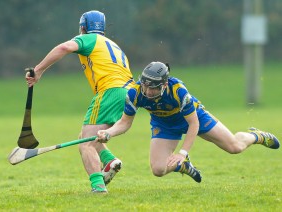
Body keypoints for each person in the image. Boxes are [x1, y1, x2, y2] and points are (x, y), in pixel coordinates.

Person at [96, 61, 280, 183]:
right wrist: (109, 133)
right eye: (145, 86)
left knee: (235, 147)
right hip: (164, 124)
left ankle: (257, 136)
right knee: (158, 170)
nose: (149, 92)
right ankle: (183, 166)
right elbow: (124, 122)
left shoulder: (179, 91)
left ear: (164, 84)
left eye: (154, 88)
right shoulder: (134, 94)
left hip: (194, 118)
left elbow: (193, 124)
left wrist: (183, 152)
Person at [26, 10, 134, 193]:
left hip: (110, 92)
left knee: (85, 143)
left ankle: (98, 187)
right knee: (87, 135)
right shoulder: (112, 44)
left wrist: (38, 70)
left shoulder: (89, 38)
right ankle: (109, 161)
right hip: (130, 92)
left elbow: (63, 48)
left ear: (83, 27)